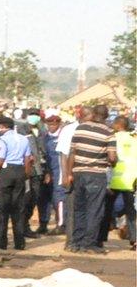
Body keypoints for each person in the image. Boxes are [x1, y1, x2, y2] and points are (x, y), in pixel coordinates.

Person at [64, 105, 116, 254]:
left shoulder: (80, 128)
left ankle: (76, 243)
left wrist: (69, 173)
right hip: (96, 174)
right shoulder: (109, 132)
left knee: (79, 209)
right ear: (106, 116)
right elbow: (112, 158)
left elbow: (72, 152)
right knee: (95, 210)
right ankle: (89, 244)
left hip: (78, 173)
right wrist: (113, 161)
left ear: (93, 114)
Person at [0, 115, 34, 251]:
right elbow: (27, 160)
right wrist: (25, 176)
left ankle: (1, 241)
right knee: (18, 208)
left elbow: (0, 159)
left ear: (2, 127)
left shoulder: (2, 140)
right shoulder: (23, 139)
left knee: (3, 208)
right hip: (20, 171)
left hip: (5, 172)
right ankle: (19, 242)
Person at [108, 114, 137, 248]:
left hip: (114, 180)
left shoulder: (112, 138)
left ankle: (101, 238)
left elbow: (111, 158)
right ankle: (134, 238)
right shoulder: (134, 140)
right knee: (130, 212)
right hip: (130, 180)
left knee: (107, 209)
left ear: (118, 125)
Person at [33, 112, 63, 233]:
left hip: (58, 171)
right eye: (49, 123)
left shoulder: (62, 137)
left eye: (54, 124)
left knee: (58, 198)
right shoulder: (44, 137)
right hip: (45, 171)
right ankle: (43, 224)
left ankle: (61, 224)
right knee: (43, 199)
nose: (52, 126)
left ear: (59, 124)